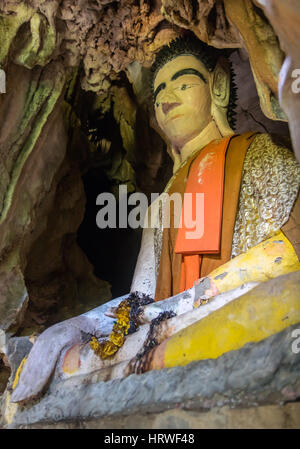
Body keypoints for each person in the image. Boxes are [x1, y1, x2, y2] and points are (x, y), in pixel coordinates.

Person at [10, 37, 300, 403]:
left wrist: (184, 303)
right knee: (71, 356)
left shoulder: (261, 154)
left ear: (219, 85)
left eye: (183, 81)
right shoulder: (158, 206)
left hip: (238, 306)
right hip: (172, 327)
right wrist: (77, 326)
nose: (166, 96)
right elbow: (141, 300)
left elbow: (289, 255)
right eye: (160, 88)